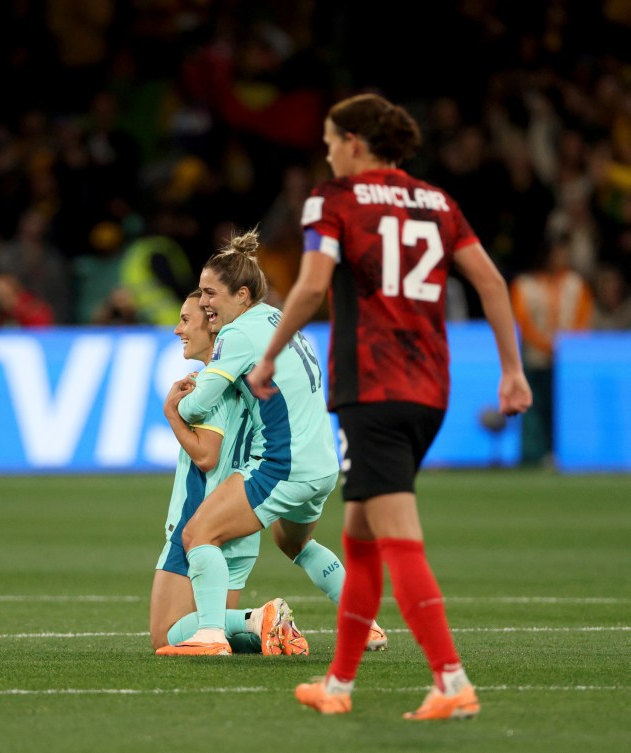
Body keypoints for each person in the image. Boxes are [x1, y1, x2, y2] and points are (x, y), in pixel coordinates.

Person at [245, 93, 532, 720]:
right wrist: (511, 370)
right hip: (429, 389)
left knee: (397, 537)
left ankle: (451, 681)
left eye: (329, 140)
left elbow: (315, 284)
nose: (325, 152)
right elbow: (489, 280)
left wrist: (268, 356)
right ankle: (339, 685)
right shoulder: (438, 202)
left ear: (353, 141)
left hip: (372, 390)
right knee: (362, 534)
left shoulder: (333, 200)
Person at [156, 230, 386, 657]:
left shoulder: (237, 334)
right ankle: (364, 623)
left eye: (211, 293)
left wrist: (176, 407)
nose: (204, 303)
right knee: (293, 542)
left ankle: (209, 635)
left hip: (283, 463)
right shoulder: (279, 319)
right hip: (322, 464)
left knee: (199, 533)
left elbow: (199, 403)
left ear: (241, 295)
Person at [151, 290, 303, 656]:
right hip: (241, 520)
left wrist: (172, 412)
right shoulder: (247, 382)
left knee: (166, 634)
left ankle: (258, 617)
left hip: (202, 518)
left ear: (212, 325)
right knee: (217, 627)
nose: (177, 330)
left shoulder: (209, 386)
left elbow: (207, 456)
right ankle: (273, 631)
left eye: (187, 320)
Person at [510, 232, 594, 465]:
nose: (562, 257)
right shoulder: (524, 285)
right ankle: (534, 455)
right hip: (535, 358)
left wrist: (569, 347)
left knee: (565, 409)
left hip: (569, 362)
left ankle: (566, 454)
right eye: (558, 252)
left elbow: (582, 317)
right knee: (534, 408)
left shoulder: (576, 284)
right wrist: (547, 345)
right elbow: (522, 322)